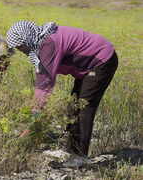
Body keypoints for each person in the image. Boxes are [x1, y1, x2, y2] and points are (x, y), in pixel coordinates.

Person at [6, 21, 117, 158]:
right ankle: (71, 150)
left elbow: (44, 86)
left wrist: (32, 120)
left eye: (21, 46)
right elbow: (43, 78)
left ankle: (79, 157)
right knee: (74, 104)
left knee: (84, 107)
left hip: (101, 61)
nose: (21, 50)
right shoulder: (42, 40)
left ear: (28, 39)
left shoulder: (48, 45)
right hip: (88, 67)